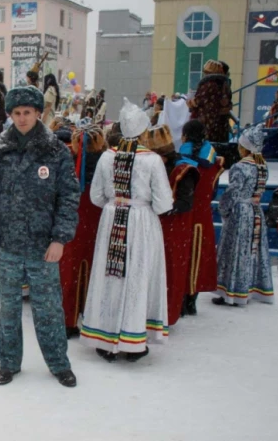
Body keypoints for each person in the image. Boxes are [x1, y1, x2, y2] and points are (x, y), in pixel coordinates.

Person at [0, 86, 80, 387]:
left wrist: (59, 238)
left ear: (38, 113)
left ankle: (59, 364)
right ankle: (8, 362)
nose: (22, 119)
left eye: (27, 113)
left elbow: (69, 198)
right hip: (6, 244)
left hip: (43, 245)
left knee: (48, 308)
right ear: (10, 115)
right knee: (8, 308)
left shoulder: (56, 152)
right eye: (17, 113)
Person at [81, 98, 173, 363]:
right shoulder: (153, 160)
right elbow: (164, 202)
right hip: (142, 219)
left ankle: (104, 336)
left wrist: (115, 202)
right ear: (144, 130)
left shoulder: (107, 157)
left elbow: (96, 196)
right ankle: (132, 339)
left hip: (112, 219)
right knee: (137, 276)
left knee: (109, 276)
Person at [140, 125, 199, 326]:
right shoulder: (155, 166)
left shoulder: (184, 170)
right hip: (156, 225)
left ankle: (169, 311)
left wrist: (164, 208)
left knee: (171, 269)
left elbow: (185, 203)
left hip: (174, 228)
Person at [214, 124, 274, 306]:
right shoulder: (262, 167)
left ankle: (233, 291)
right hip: (255, 211)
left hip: (241, 212)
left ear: (244, 148)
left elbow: (233, 192)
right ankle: (249, 287)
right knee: (252, 251)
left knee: (235, 251)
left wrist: (223, 209)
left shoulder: (240, 167)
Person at [60, 125, 107, 338]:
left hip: (71, 223)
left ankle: (67, 319)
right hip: (98, 222)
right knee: (96, 270)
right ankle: (93, 319)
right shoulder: (108, 162)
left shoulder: (64, 162)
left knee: (69, 272)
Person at [178, 120, 223, 315]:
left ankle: (178, 299)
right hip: (203, 215)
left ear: (185, 135)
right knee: (199, 254)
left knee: (181, 255)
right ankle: (192, 299)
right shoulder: (214, 160)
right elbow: (212, 192)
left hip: (183, 213)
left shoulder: (181, 159)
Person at [187, 60, 233, 143]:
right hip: (221, 125)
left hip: (207, 122)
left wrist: (191, 102)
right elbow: (227, 104)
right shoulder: (225, 85)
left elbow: (198, 101)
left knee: (205, 147)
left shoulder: (208, 84)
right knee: (218, 147)